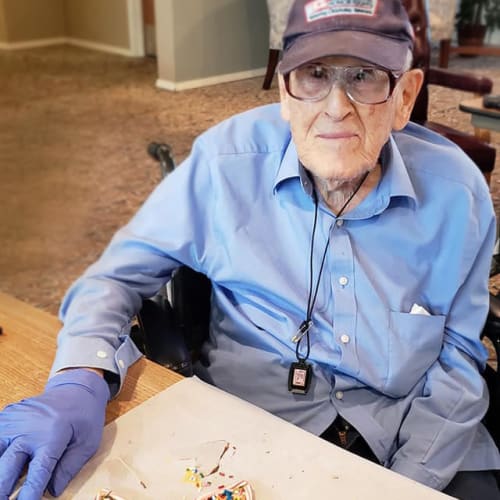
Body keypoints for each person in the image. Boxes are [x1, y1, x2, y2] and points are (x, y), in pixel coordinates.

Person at [1, 0, 499, 498]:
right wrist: (80, 376)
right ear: (284, 92)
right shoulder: (224, 164)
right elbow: (114, 278)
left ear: (405, 96)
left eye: (365, 77)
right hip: (252, 434)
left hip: (409, 432)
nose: (336, 106)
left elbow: (458, 354)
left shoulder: (458, 194)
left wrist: (407, 484)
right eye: (315, 75)